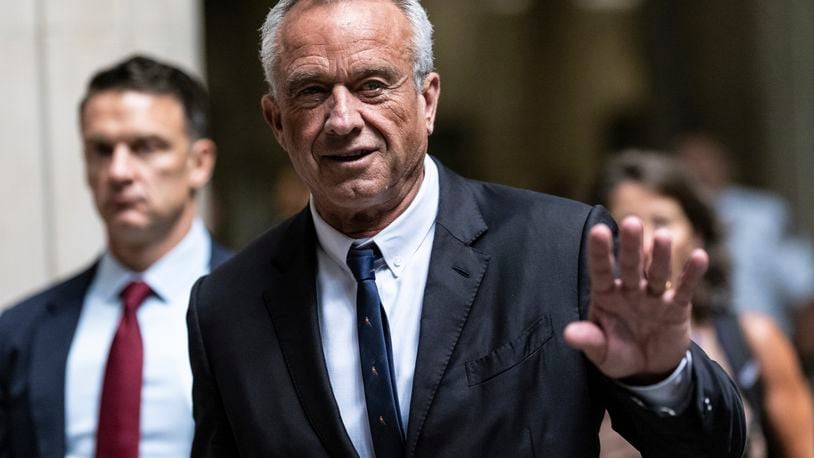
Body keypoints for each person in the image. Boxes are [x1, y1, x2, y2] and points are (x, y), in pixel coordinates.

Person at [186, 1, 746, 456]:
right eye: (311, 91)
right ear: (276, 121)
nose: (343, 118)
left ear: (427, 101)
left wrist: (661, 377)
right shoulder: (226, 306)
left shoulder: (556, 250)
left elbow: (710, 448)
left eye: (372, 84)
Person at [0, 55, 231, 457]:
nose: (119, 171)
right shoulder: (22, 331)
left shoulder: (264, 304)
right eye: (102, 149)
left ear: (200, 162)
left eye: (146, 147)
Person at [594, 150, 814, 457]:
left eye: (662, 221)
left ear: (697, 235)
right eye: (624, 225)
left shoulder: (753, 340)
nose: (644, 243)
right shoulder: (574, 347)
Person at [676, 133, 814, 336]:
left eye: (705, 160)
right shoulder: (671, 218)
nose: (698, 169)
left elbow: (803, 285)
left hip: (766, 343)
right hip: (700, 347)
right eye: (688, 162)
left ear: (725, 164)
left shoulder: (764, 214)